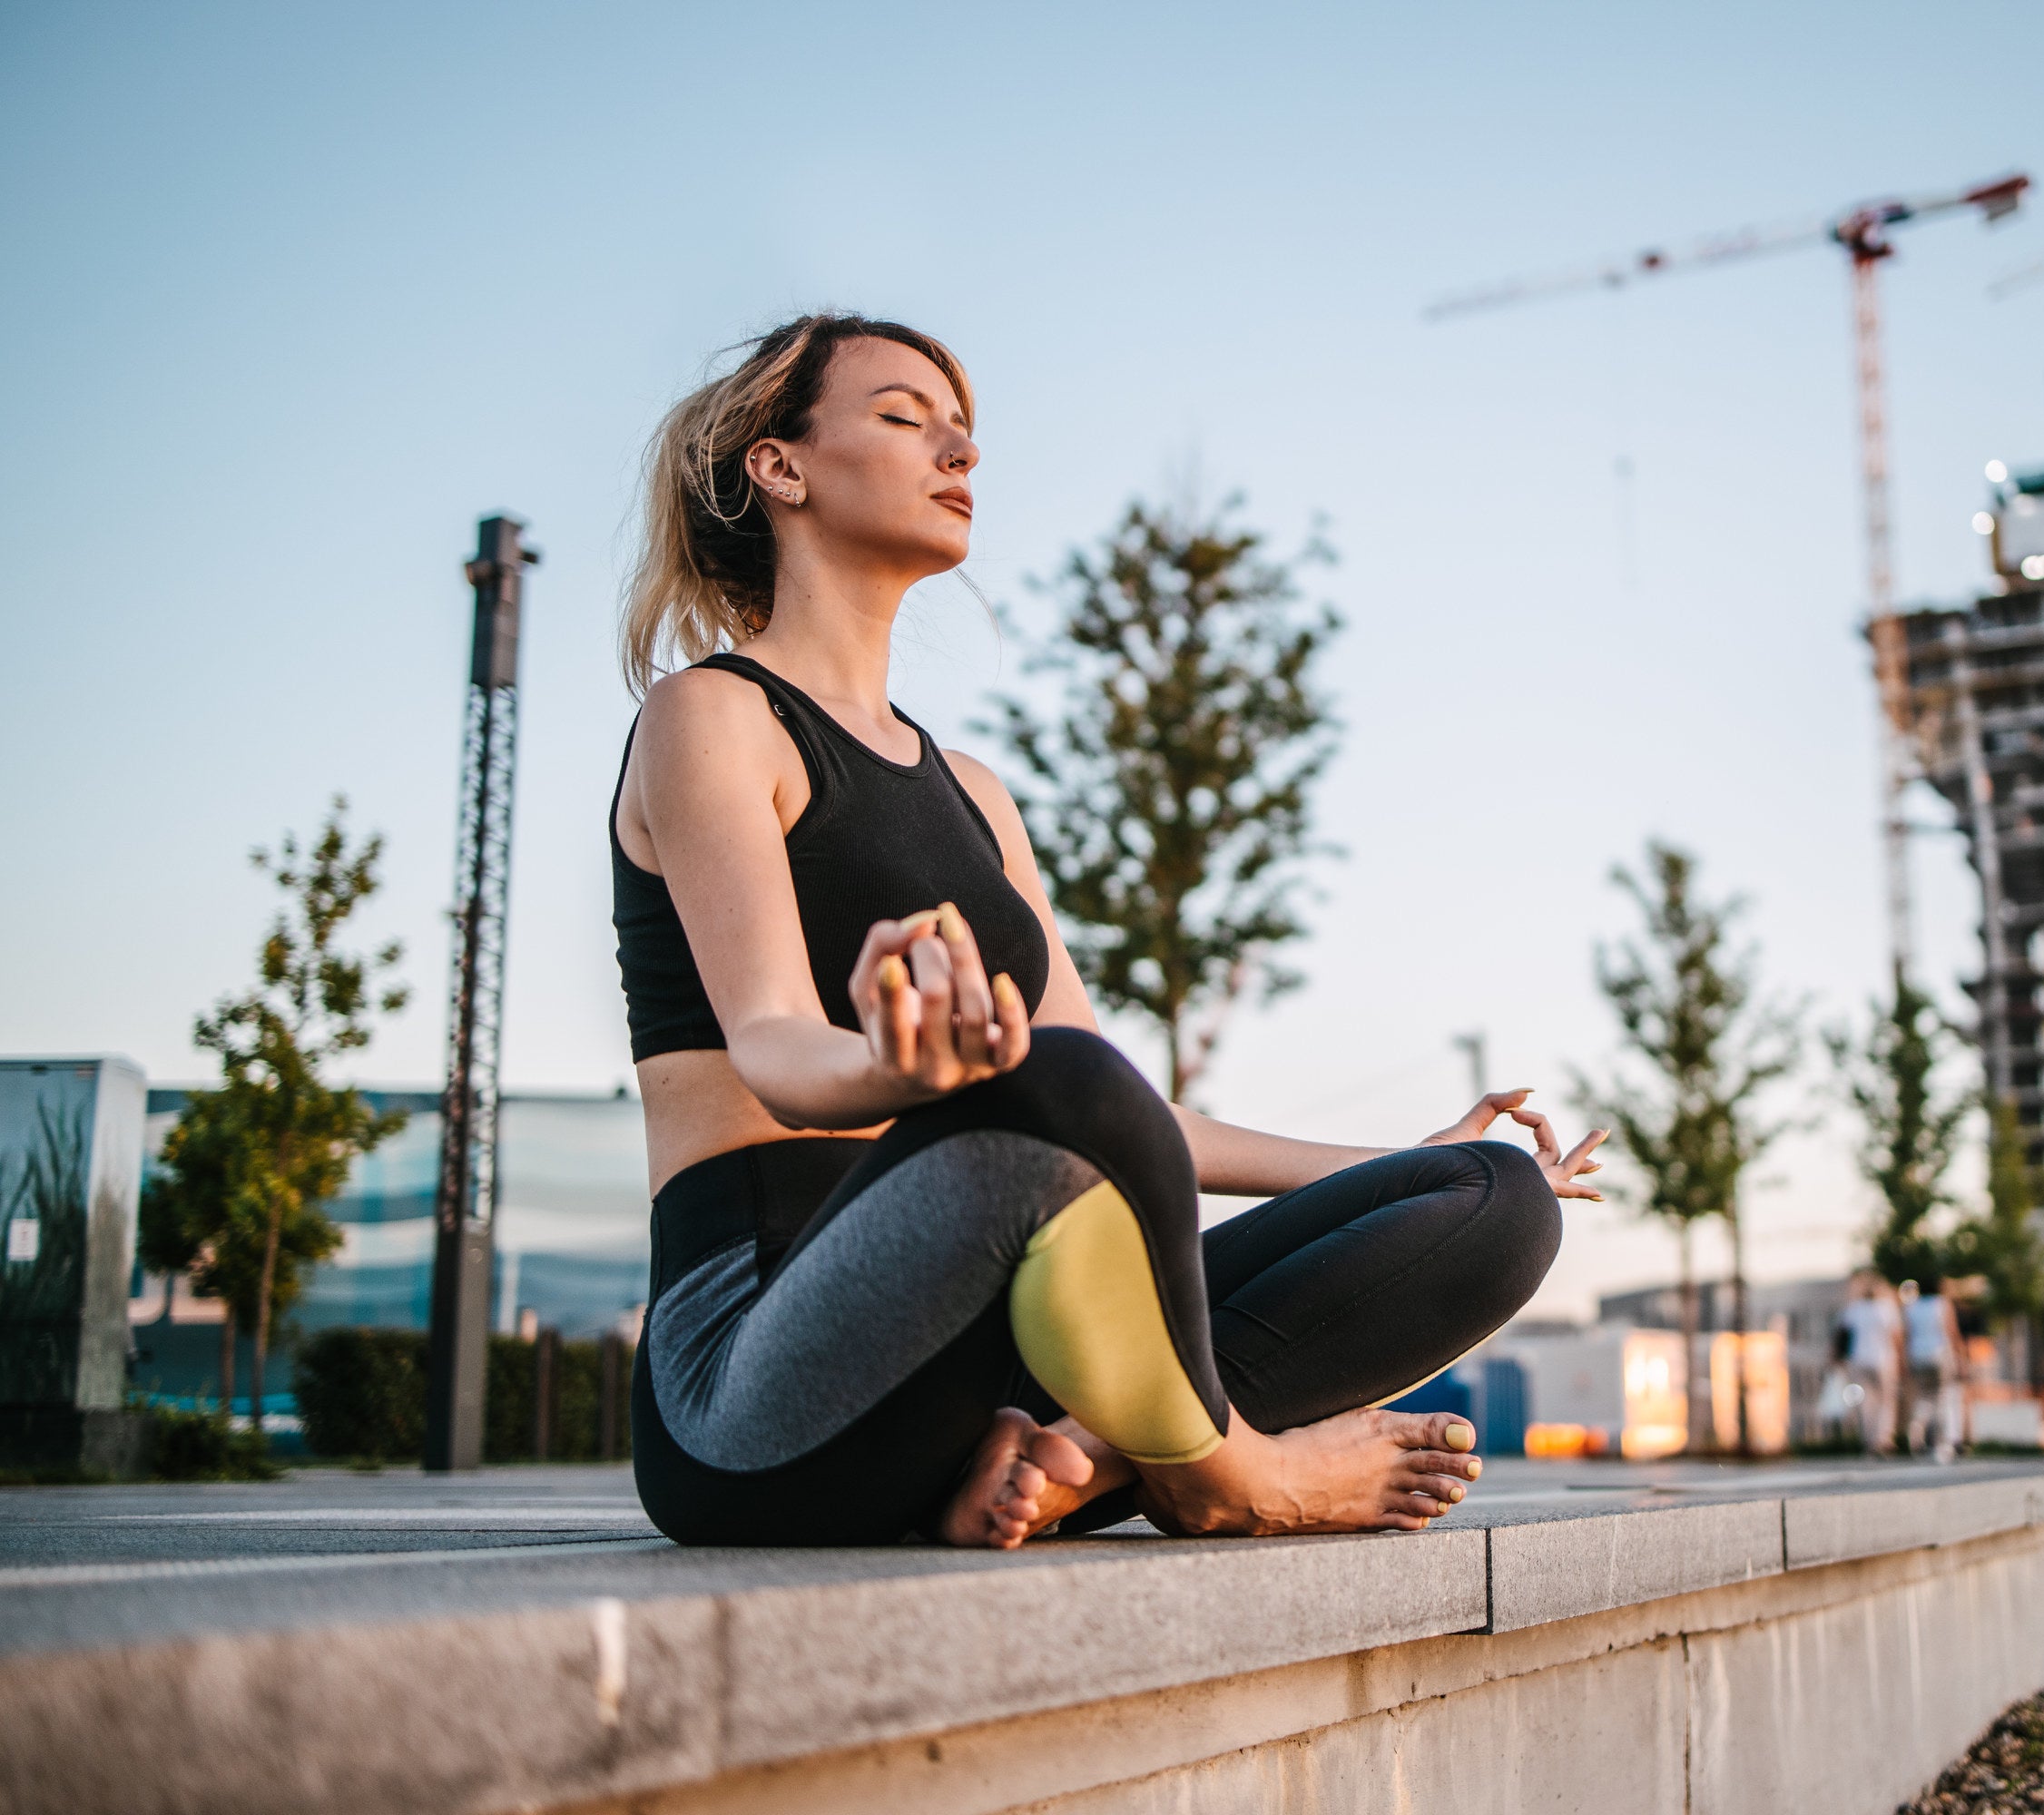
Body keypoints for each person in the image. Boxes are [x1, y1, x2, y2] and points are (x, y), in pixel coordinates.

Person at [610, 314, 1607, 1549]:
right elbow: (768, 1040)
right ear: (782, 466)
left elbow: (1141, 1127)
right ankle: (1228, 1476)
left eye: (964, 425)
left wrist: (1386, 1166)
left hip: (980, 1376)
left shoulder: (975, 795)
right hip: (759, 1400)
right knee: (1058, 1082)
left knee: (1496, 1197)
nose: (960, 448)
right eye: (903, 416)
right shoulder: (712, 716)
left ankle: (1070, 1462)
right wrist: (896, 1073)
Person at [1902, 1276, 1965, 1463]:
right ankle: (1944, 1443)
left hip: (1917, 1356)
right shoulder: (1941, 1304)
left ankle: (1916, 1432)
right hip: (1939, 1354)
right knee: (1943, 1396)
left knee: (1924, 1396)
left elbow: (1907, 1334)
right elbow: (1951, 1332)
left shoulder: (1911, 1306)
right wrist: (1960, 1358)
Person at [1836, 1272, 1901, 1457]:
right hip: (1883, 1359)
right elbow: (1896, 1337)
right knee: (1886, 1401)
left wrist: (1839, 1358)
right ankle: (1884, 1438)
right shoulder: (1887, 1308)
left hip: (1859, 1359)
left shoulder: (1855, 1308)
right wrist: (1901, 1360)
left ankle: (1870, 1440)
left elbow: (1843, 1334)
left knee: (1866, 1402)